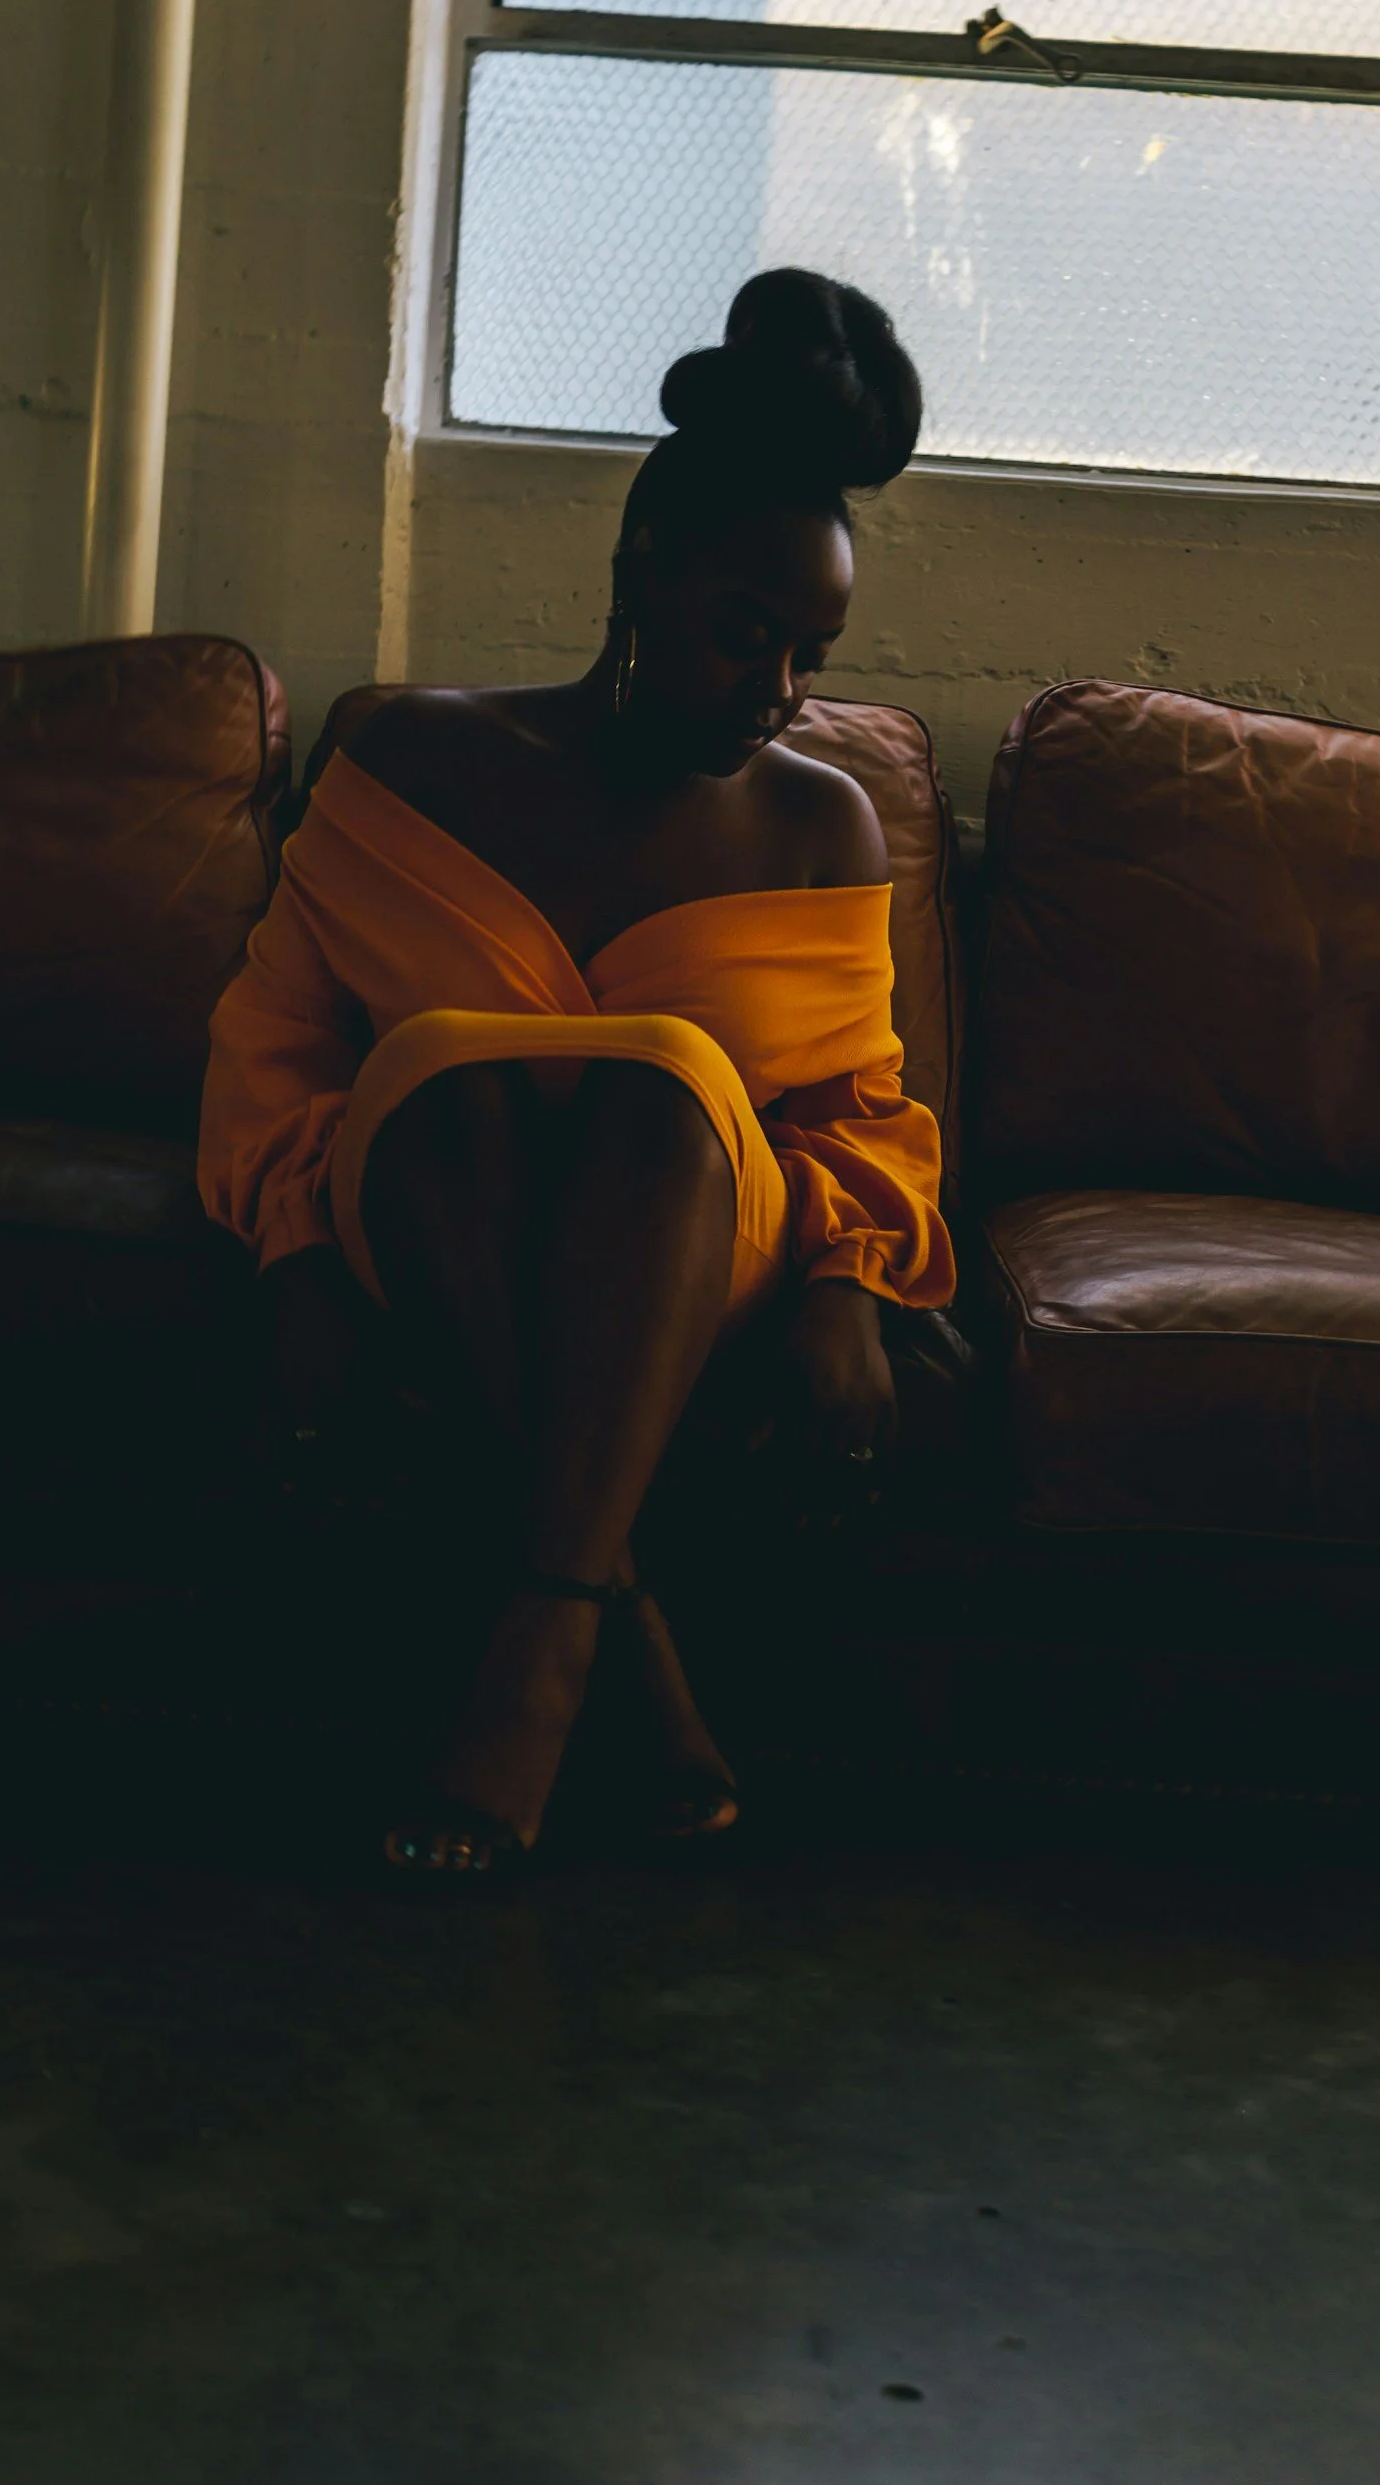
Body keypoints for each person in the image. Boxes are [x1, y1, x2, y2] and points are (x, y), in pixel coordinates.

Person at [198, 267, 955, 1874]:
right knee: (447, 1067)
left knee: (664, 1081)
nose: (777, 695)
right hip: (431, 1198)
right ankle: (608, 1615)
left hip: (698, 1234)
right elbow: (279, 1045)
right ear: (641, 571)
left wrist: (847, 1290)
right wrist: (296, 1259)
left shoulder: (821, 822)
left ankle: (545, 1644)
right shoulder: (413, 758)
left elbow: (855, 1111)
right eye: (742, 637)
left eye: (811, 655)